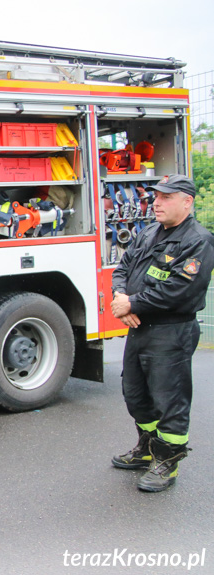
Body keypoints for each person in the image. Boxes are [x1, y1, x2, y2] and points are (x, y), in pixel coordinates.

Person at [110, 174, 214, 492]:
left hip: (172, 331)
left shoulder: (199, 240)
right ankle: (148, 449)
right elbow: (123, 266)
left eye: (166, 197)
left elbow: (180, 290)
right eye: (156, 196)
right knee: (135, 395)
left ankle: (167, 462)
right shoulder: (150, 231)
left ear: (187, 202)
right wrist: (120, 298)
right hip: (141, 328)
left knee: (170, 401)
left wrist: (132, 303)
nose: (157, 202)